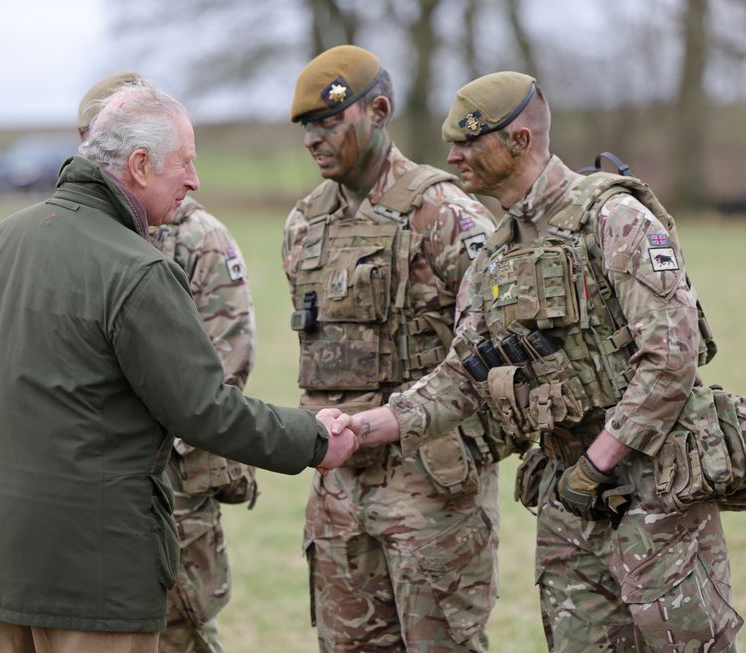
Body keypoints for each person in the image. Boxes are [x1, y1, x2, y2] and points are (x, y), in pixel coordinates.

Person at [0, 80, 358, 653]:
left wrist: (27, 408)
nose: (195, 180)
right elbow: (206, 412)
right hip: (96, 576)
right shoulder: (139, 270)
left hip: (4, 567)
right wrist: (316, 440)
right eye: (186, 163)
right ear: (141, 165)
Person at [338, 71, 743, 651]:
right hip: (569, 500)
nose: (453, 155)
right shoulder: (496, 256)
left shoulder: (613, 219)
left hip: (655, 490)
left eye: (469, 142)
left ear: (520, 141)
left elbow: (671, 359)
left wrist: (599, 464)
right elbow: (462, 377)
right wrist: (367, 427)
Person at [285, 45, 505, 652]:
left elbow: (500, 344)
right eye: (306, 126)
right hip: (338, 494)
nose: (313, 138)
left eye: (329, 121)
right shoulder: (304, 226)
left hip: (431, 491)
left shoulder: (446, 213)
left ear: (378, 110)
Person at [82, 72, 259, 653]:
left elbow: (225, 364)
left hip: (175, 477)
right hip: (91, 479)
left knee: (180, 621)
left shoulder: (199, 238)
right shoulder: (71, 233)